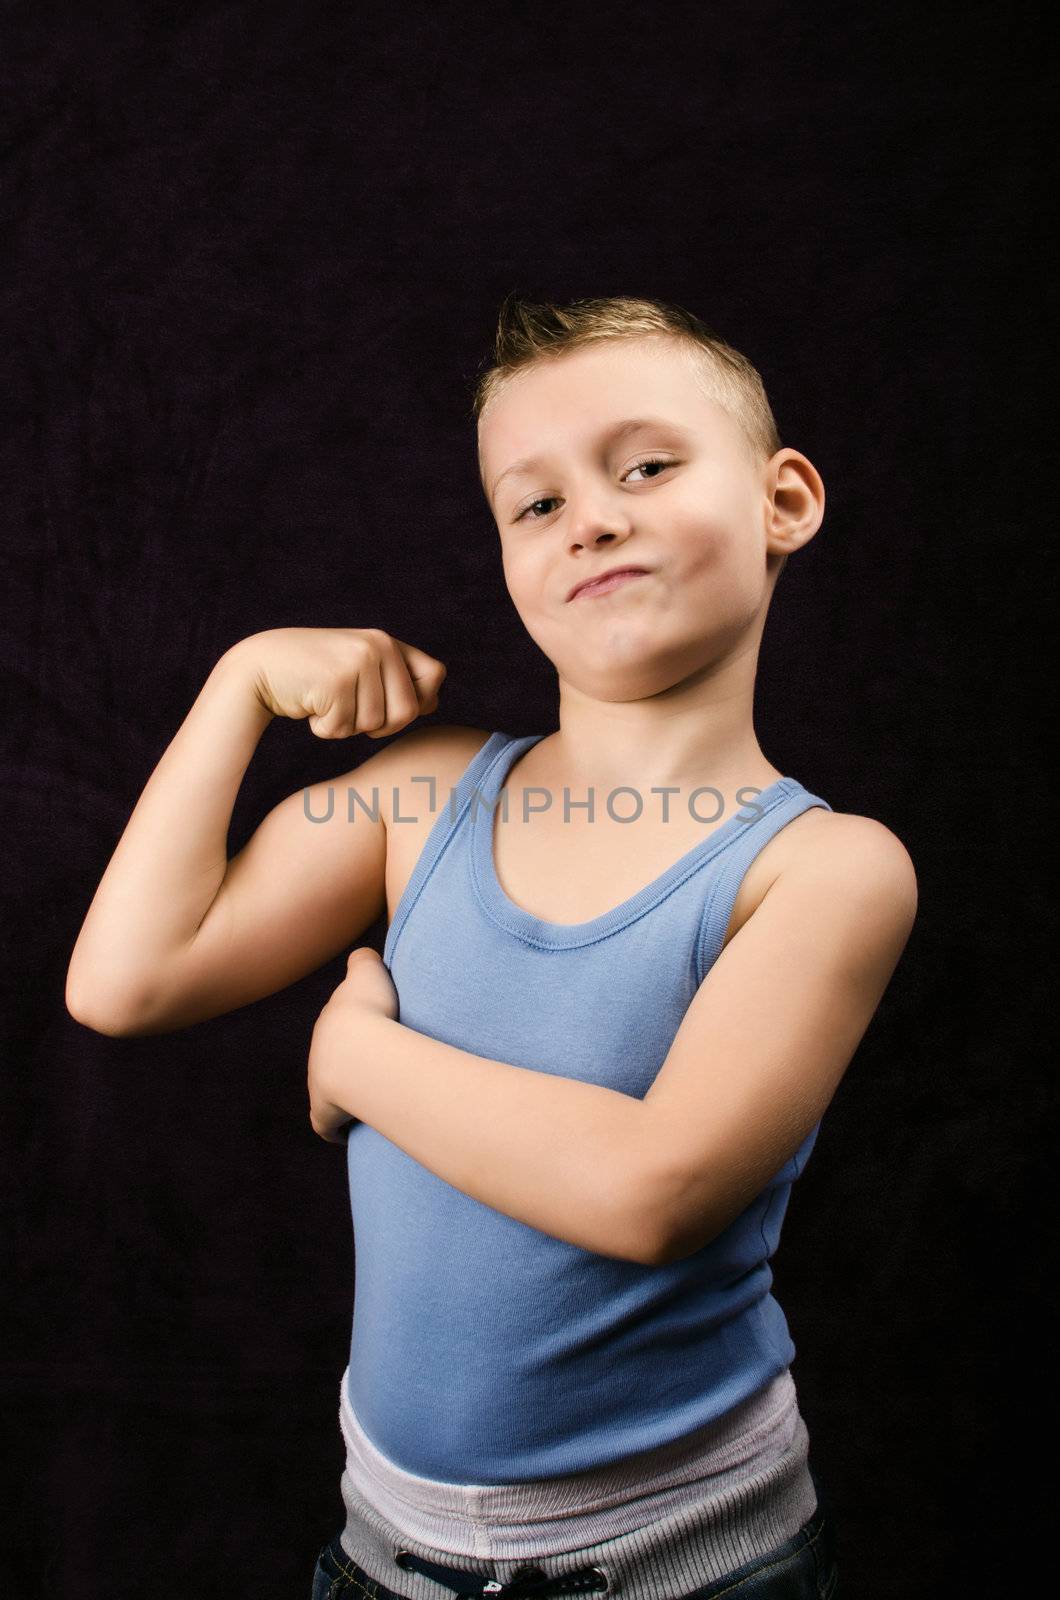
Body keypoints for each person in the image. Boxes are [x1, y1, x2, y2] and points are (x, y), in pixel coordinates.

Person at [66, 294, 917, 1599]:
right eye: (535, 503)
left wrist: (357, 1059)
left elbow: (653, 1194)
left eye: (646, 465)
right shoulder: (419, 800)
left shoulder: (827, 868)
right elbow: (127, 979)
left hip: (688, 1567)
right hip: (383, 1555)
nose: (591, 516)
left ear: (782, 500)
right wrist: (236, 684)